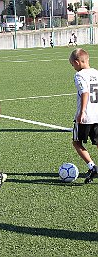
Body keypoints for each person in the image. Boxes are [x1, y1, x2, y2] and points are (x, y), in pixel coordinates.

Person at [69, 48, 98, 183]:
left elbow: (85, 93)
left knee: (76, 142)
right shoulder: (96, 73)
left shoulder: (79, 75)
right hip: (97, 115)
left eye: (72, 64)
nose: (73, 67)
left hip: (86, 117)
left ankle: (92, 167)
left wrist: (81, 113)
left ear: (77, 62)